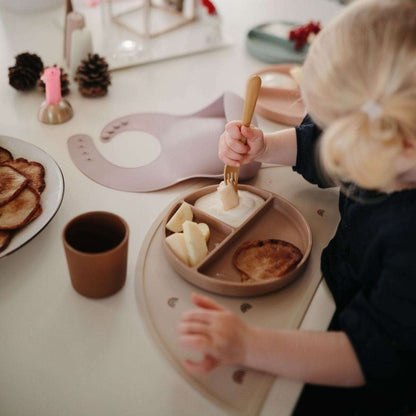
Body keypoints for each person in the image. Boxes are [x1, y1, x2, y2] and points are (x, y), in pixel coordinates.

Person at [178, 0, 416, 414]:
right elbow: (319, 145)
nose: (332, 151)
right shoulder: (391, 144)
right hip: (335, 286)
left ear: (402, 144)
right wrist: (265, 146)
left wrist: (248, 344)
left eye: (340, 140)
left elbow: (367, 355)